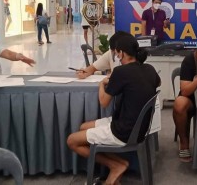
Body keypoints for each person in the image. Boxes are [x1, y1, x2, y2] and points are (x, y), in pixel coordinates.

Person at [67, 35, 160, 185]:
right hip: (140, 128)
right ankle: (116, 168)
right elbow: (156, 82)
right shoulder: (149, 69)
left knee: (72, 141)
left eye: (117, 54)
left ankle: (115, 165)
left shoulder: (120, 72)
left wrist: (101, 85)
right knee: (83, 127)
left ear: (122, 53)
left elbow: (104, 102)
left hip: (123, 130)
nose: (116, 57)